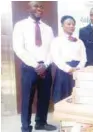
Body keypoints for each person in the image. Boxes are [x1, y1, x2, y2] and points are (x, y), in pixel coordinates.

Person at [12, 1, 56, 132]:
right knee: (27, 98)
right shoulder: (20, 26)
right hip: (29, 68)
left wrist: (46, 64)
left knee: (44, 97)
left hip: (46, 67)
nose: (39, 9)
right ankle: (26, 127)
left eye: (41, 6)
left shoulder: (48, 28)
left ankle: (41, 123)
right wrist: (36, 65)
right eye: (35, 6)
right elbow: (19, 48)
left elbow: (52, 49)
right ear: (28, 8)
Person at [51, 15, 87, 103]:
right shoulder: (57, 41)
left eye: (73, 24)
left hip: (78, 71)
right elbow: (56, 57)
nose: (71, 26)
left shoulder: (79, 41)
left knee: (76, 96)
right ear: (62, 25)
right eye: (69, 24)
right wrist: (68, 69)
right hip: (63, 71)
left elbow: (84, 58)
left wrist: (78, 68)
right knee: (62, 98)